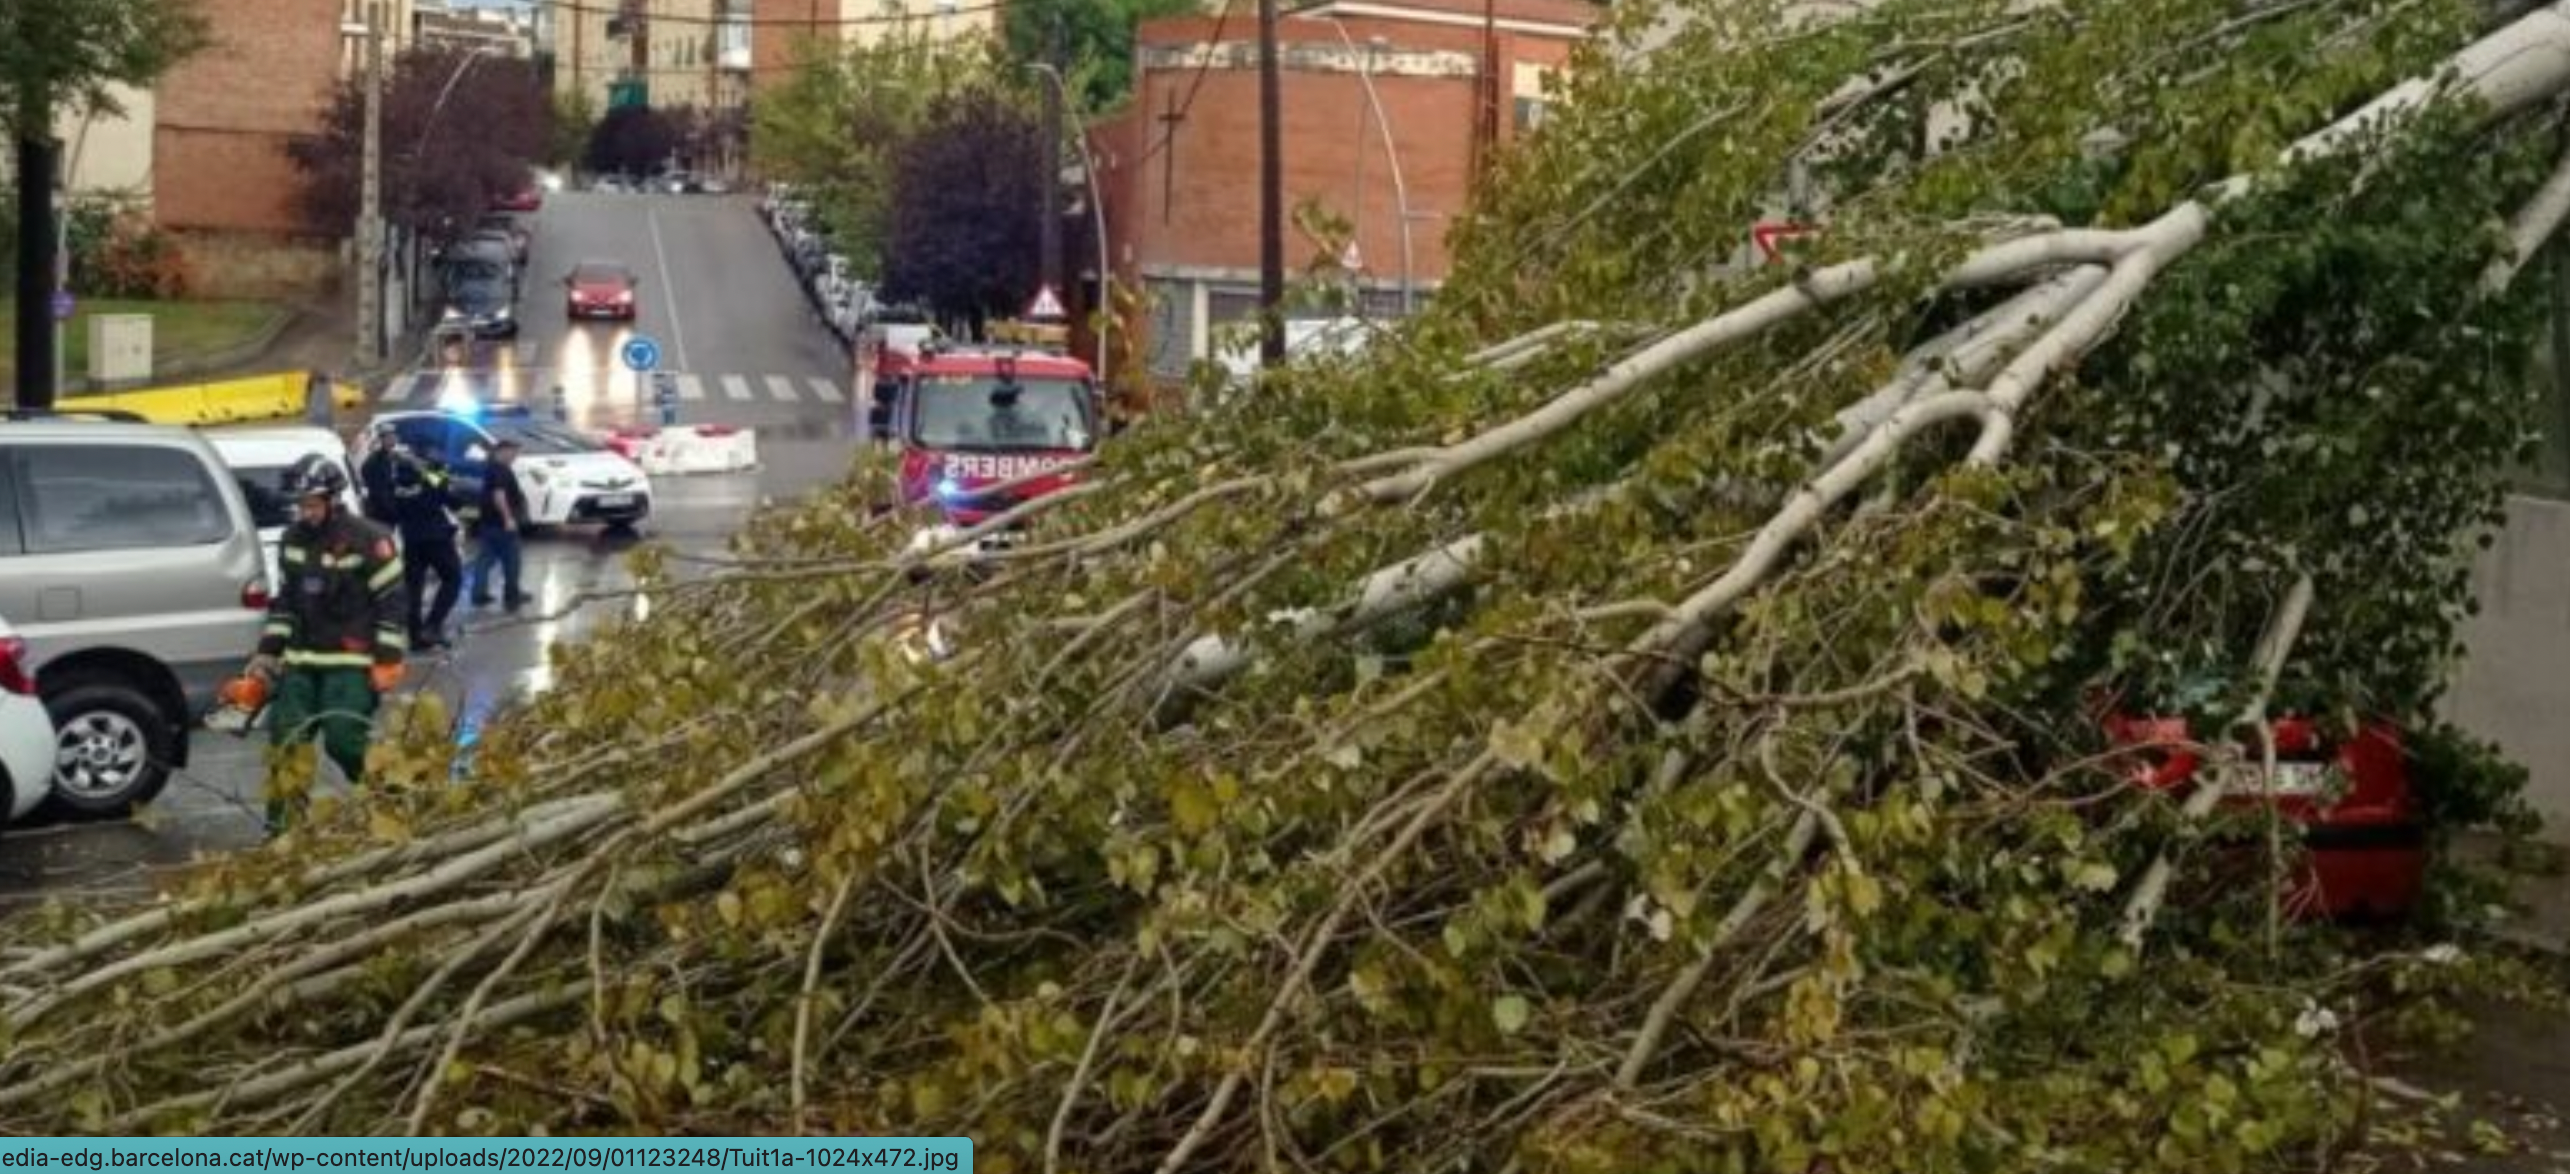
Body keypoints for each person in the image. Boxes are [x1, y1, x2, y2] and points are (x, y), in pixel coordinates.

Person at [247, 454, 407, 815]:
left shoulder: (370, 539)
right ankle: (283, 835)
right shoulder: (292, 539)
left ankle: (394, 803)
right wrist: (268, 651)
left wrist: (388, 659)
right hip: (301, 664)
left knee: (344, 741)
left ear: (334, 500)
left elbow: (393, 602)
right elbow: (286, 602)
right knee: (286, 745)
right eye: (301, 505)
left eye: (313, 505)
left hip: (351, 663)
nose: (306, 513)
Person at [391, 448, 466, 651]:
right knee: (453, 578)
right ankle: (433, 626)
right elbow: (456, 502)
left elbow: (392, 510)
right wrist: (442, 474)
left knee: (414, 588)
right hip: (436, 538)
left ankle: (416, 638)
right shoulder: (430, 478)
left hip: (411, 540)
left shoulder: (397, 483)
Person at [469, 438, 532, 611]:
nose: (515, 457)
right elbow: (499, 496)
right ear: (503, 451)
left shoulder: (491, 467)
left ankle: (478, 594)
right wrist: (508, 518)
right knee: (512, 560)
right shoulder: (500, 470)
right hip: (500, 524)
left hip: (488, 522)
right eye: (514, 452)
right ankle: (512, 595)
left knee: (485, 559)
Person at [357, 431, 401, 528]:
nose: (393, 440)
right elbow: (379, 491)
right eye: (390, 437)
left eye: (394, 437)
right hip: (382, 513)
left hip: (386, 510)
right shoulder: (376, 460)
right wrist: (393, 512)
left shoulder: (392, 457)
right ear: (382, 440)